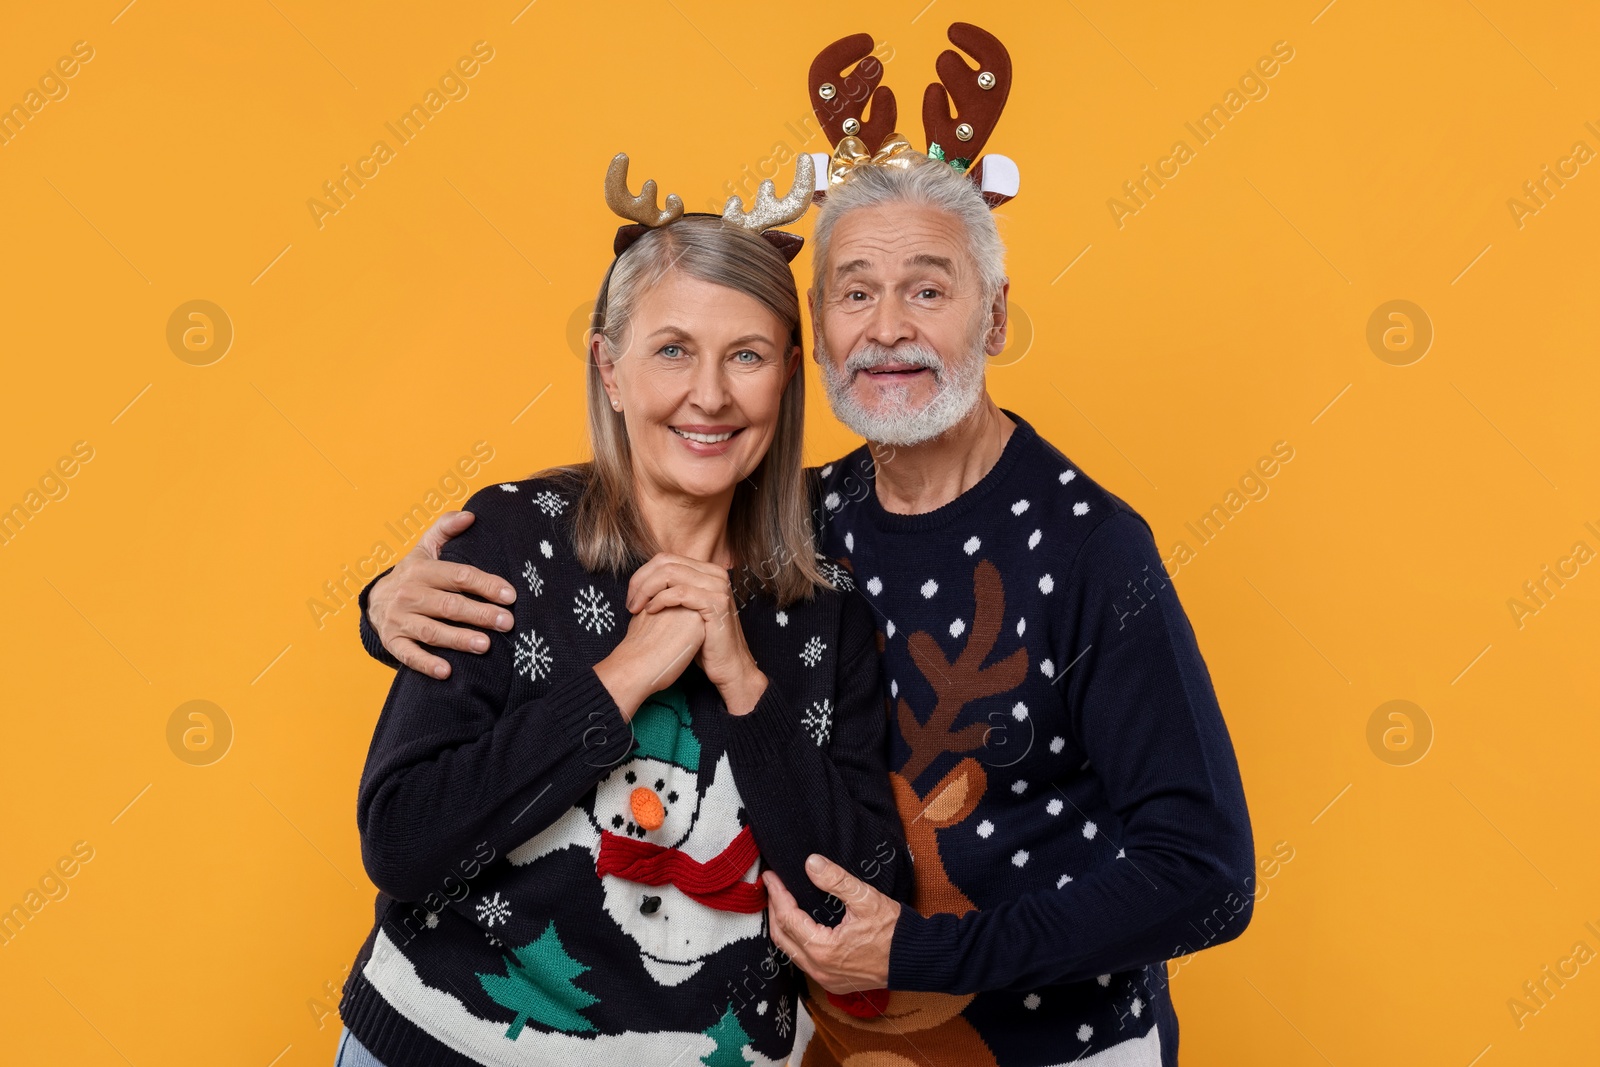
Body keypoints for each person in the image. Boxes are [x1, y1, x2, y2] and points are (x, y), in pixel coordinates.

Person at [357, 24, 1256, 1067]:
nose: (886, 328)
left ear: (995, 317)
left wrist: (928, 949)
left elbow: (1205, 871)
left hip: (1050, 1045)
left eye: (928, 288)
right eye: (853, 291)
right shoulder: (795, 521)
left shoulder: (1090, 545)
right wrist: (389, 601)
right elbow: (591, 555)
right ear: (815, 338)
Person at [333, 152, 909, 1067]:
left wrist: (745, 685)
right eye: (672, 349)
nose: (710, 394)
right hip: (444, 1045)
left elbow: (856, 906)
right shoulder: (511, 542)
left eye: (747, 356)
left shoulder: (824, 608)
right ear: (609, 365)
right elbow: (404, 843)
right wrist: (625, 674)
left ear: (790, 376)